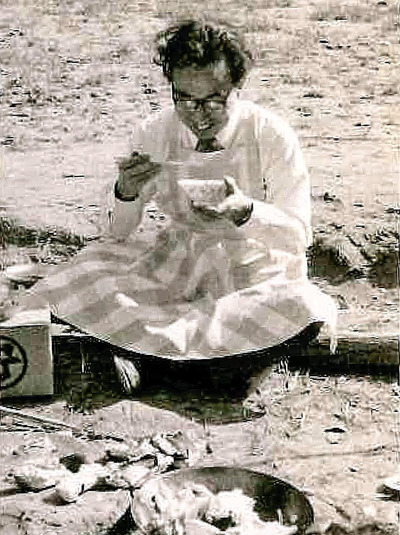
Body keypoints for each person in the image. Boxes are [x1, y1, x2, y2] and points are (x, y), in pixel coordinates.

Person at [14, 20, 337, 385]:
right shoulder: (155, 132)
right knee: (87, 271)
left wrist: (247, 212)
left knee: (303, 307)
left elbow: (298, 235)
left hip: (253, 267)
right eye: (184, 99)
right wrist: (126, 191)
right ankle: (216, 368)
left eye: (213, 101)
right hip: (177, 266)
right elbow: (116, 233)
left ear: (237, 87)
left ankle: (144, 357)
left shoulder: (271, 135)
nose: (198, 115)